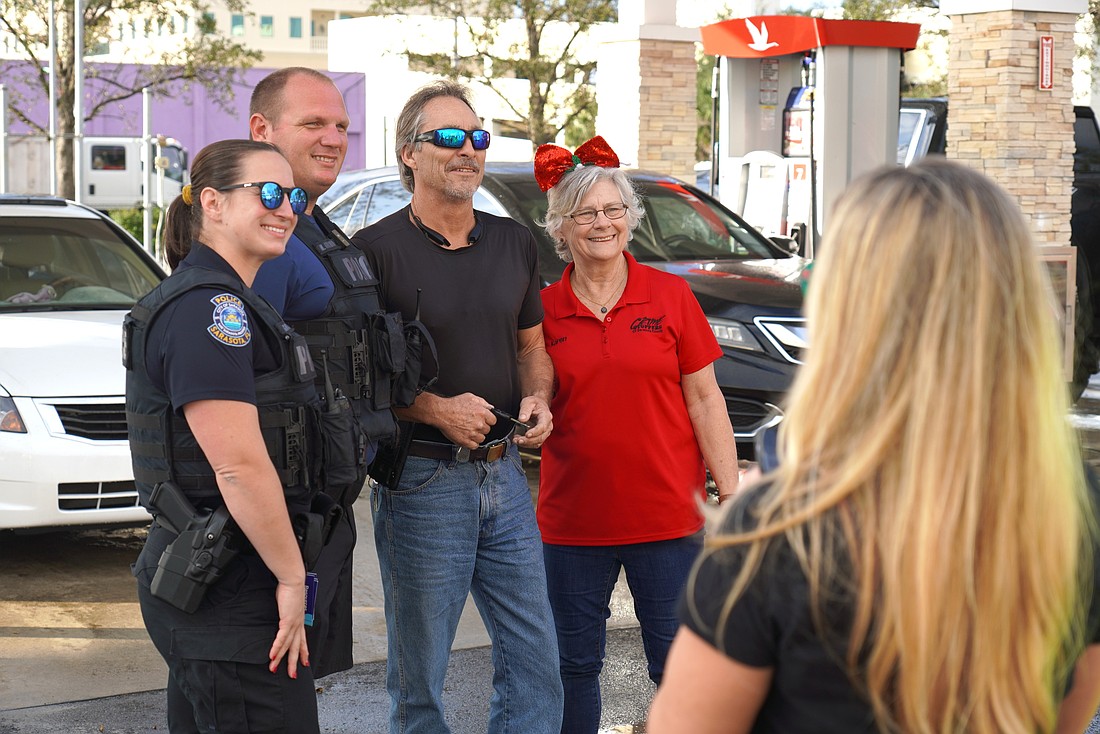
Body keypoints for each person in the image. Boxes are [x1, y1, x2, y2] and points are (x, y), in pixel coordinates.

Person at [647, 157, 1100, 734]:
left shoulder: (783, 531)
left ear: (849, 310)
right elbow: (1067, 716)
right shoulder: (1075, 505)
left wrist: (743, 530)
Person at [350, 79, 564, 733]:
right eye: (447, 137)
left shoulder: (515, 242)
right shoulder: (373, 252)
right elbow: (356, 381)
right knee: (421, 681)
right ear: (409, 152)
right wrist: (436, 409)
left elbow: (532, 345)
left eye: (476, 137)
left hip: (504, 475)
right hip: (421, 480)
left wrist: (539, 397)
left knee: (536, 661)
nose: (466, 149)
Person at [533, 136, 739, 733]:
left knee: (677, 672)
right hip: (573, 525)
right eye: (586, 214)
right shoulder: (542, 310)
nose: (603, 223)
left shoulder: (671, 296)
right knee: (572, 669)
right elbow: (534, 394)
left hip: (669, 520)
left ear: (630, 219)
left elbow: (706, 400)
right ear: (562, 228)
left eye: (613, 210)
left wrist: (729, 496)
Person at [126, 139, 327, 733]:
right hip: (229, 592)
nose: (285, 207)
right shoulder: (210, 312)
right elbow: (238, 465)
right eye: (267, 192)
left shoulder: (226, 299)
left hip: (219, 579)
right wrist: (293, 579)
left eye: (293, 195)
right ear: (211, 203)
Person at [244, 66, 414, 680]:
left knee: (297, 691)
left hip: (325, 507)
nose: (334, 138)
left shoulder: (312, 225)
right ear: (262, 130)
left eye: (342, 125)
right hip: (279, 517)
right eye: (313, 123)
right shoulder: (261, 239)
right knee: (265, 698)